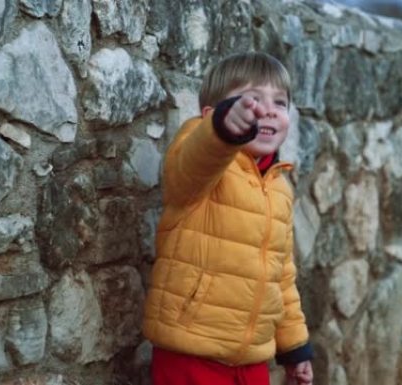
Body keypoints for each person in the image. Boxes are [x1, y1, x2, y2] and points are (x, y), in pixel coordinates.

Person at [142, 51, 314, 385]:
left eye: (280, 103)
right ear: (211, 115)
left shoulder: (279, 188)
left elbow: (282, 276)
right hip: (191, 353)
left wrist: (294, 347)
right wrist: (221, 131)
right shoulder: (201, 159)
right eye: (251, 100)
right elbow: (195, 160)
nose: (267, 110)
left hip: (251, 362)